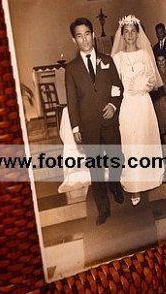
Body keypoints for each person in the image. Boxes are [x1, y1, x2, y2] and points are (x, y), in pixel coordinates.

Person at [65, 17, 125, 226]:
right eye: (79, 36)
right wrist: (75, 127)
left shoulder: (107, 60)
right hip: (88, 125)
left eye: (87, 34)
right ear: (74, 40)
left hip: (109, 122)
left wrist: (113, 105)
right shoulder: (71, 69)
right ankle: (103, 208)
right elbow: (72, 101)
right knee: (96, 167)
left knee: (117, 158)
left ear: (93, 35)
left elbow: (118, 87)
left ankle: (115, 184)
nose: (85, 39)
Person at [111, 15, 164, 206]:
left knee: (145, 141)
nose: (130, 35)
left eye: (133, 31)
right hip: (127, 104)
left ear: (137, 34)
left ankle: (149, 178)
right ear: (122, 35)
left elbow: (153, 79)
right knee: (130, 143)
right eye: (126, 32)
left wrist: (144, 86)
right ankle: (134, 186)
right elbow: (114, 85)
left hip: (143, 104)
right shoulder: (117, 58)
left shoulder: (144, 55)